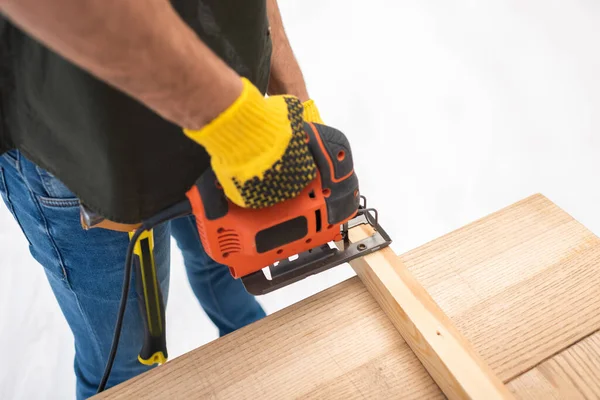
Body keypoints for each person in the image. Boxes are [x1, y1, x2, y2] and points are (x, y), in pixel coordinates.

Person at [0, 0, 326, 398]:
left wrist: (290, 95)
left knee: (230, 268)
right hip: (80, 149)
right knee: (124, 369)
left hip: (229, 104)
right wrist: (233, 120)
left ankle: (255, 358)